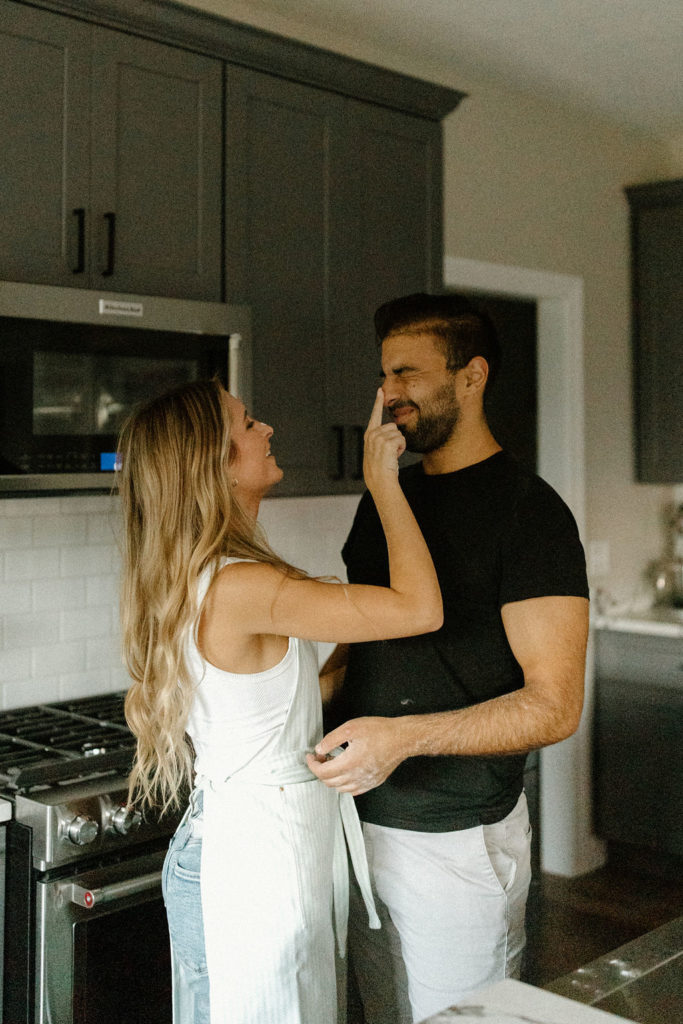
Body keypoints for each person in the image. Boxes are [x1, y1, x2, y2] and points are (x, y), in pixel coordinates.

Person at [116, 377, 442, 1024]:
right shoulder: (242, 585)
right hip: (245, 863)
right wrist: (382, 483)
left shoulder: (213, 573)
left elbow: (281, 702)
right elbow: (421, 609)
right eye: (247, 423)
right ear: (215, 462)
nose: (266, 429)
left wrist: (357, 650)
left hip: (255, 847)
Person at [308, 293, 590, 1024]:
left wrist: (400, 738)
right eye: (382, 377)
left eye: (406, 373)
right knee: (386, 1013)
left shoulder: (530, 512)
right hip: (358, 824)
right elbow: (361, 643)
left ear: (471, 377)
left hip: (457, 841)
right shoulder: (383, 497)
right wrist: (284, 712)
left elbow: (553, 705)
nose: (387, 395)